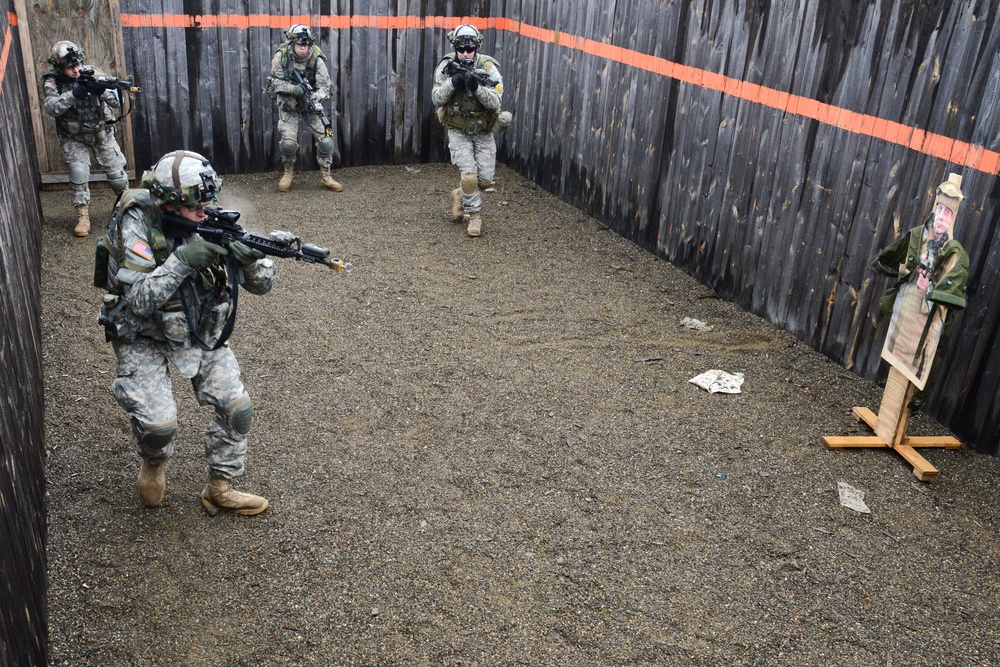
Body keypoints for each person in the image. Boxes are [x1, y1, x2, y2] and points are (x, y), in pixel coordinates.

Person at [95, 150, 275, 514]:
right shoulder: (136, 222)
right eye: (195, 207)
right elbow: (141, 300)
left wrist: (252, 259)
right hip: (141, 334)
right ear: (169, 204)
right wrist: (181, 262)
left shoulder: (204, 216)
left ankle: (219, 488)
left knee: (237, 409)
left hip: (197, 328)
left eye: (206, 203)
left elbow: (262, 286)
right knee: (159, 426)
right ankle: (154, 461)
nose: (204, 213)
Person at [874, 175, 969, 390]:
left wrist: (931, 288)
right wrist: (909, 269)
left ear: (953, 217)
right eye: (940, 209)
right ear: (934, 209)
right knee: (895, 357)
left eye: (949, 212)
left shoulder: (954, 253)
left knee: (913, 369)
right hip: (905, 311)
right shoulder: (919, 236)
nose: (942, 217)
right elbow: (900, 262)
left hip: (925, 321)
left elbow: (951, 292)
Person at [431, 24, 512, 237]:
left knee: (484, 181)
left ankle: (460, 194)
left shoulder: (488, 67)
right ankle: (474, 216)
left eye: (470, 49)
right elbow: (436, 98)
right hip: (458, 128)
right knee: (469, 176)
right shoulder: (447, 65)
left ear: (476, 47)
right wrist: (454, 82)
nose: (465, 53)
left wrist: (476, 87)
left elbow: (496, 101)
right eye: (461, 49)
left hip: (482, 130)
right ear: (455, 47)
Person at [42, 40, 129, 237]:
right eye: (70, 67)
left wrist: (102, 90)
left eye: (78, 65)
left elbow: (118, 101)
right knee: (78, 172)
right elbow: (51, 107)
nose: (76, 70)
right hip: (74, 137)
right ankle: (83, 217)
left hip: (101, 132)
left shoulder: (93, 73)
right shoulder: (52, 80)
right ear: (59, 67)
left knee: (117, 176)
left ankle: (128, 210)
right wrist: (74, 94)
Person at [266, 24, 342, 193]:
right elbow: (271, 85)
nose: (303, 47)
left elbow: (325, 87)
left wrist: (315, 97)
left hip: (310, 104)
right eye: (300, 43)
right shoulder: (282, 57)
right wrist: (293, 89)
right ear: (292, 43)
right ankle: (288, 174)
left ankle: (326, 177)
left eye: (306, 44)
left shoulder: (317, 58)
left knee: (326, 140)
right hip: (289, 104)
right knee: (288, 144)